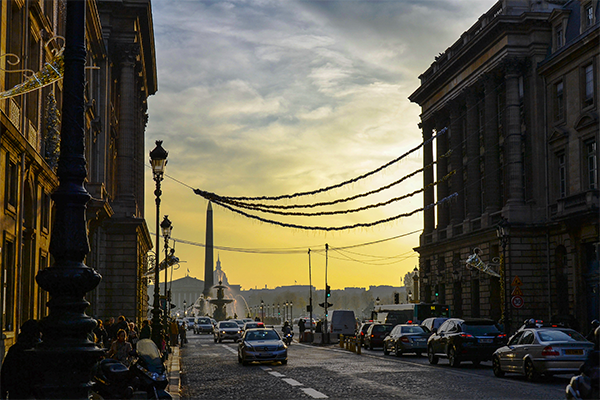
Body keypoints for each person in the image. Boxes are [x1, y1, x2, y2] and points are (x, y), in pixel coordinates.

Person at [1, 320, 42, 400]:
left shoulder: (14, 350)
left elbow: (5, 372)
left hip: (16, 392)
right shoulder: (38, 351)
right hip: (31, 393)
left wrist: (4, 391)